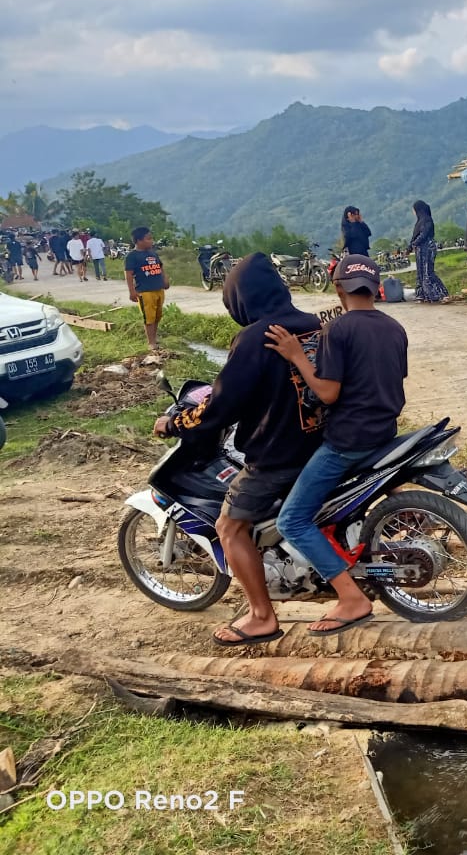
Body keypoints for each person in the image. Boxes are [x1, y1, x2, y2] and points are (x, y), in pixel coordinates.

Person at [153, 253, 325, 646]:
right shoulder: (312, 323)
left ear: (240, 299)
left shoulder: (254, 338)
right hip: (323, 444)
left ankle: (261, 616)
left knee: (229, 527)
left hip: (279, 454)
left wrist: (175, 423)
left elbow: (222, 405)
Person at [266, 254, 409, 636]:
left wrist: (297, 355)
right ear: (376, 287)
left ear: (339, 288)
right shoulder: (395, 328)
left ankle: (350, 598)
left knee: (291, 520)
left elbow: (328, 393)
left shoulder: (338, 330)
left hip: (348, 442)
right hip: (384, 433)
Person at [124, 226, 169, 352]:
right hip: (145, 291)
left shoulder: (152, 253)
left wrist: (165, 279)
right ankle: (151, 342)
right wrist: (132, 291)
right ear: (139, 241)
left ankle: (155, 337)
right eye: (148, 239)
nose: (151, 241)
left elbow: (160, 267)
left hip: (158, 289)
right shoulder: (132, 256)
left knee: (157, 316)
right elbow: (128, 274)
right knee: (149, 317)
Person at [409, 199, 449, 304]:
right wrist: (410, 247)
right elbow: (415, 236)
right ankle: (424, 295)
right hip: (420, 250)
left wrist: (414, 243)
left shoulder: (427, 220)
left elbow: (424, 234)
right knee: (421, 273)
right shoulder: (419, 222)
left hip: (427, 249)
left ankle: (442, 294)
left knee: (428, 273)